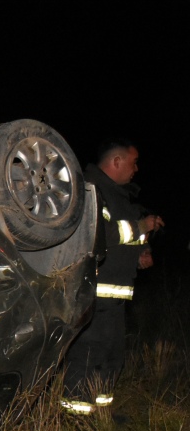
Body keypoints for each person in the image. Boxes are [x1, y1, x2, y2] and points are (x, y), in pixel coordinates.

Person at [61, 138, 165, 415]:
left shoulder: (119, 195)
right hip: (92, 295)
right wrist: (141, 225)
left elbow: (125, 236)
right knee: (87, 356)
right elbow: (99, 235)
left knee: (111, 356)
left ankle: (101, 416)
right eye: (133, 162)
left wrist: (141, 252)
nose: (136, 169)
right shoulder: (90, 191)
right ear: (116, 161)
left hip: (115, 297)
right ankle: (76, 421)